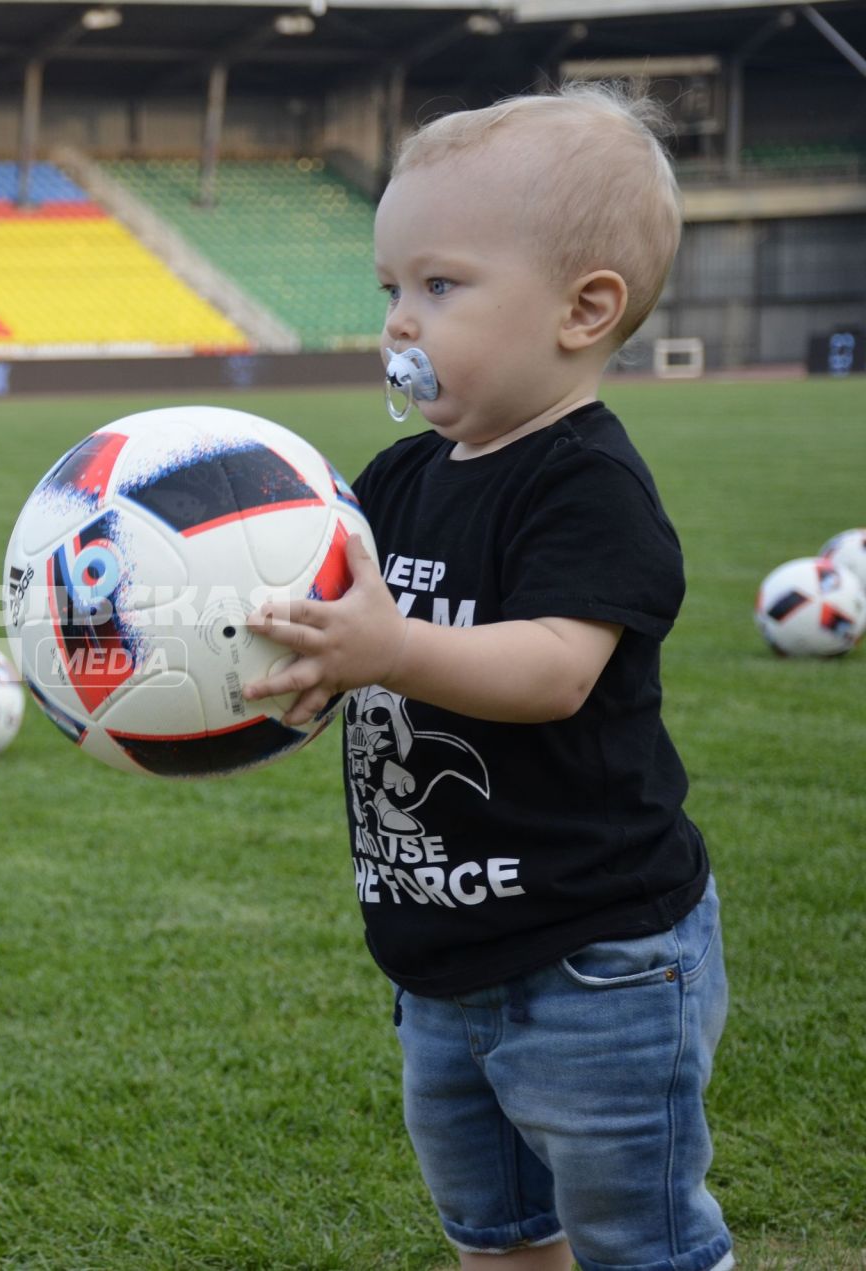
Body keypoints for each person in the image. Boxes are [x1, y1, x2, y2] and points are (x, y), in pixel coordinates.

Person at [244, 84, 732, 1271]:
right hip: (438, 959)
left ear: (585, 308)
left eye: (441, 287)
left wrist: (393, 650)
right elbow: (343, 630)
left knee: (641, 1239)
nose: (401, 324)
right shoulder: (399, 480)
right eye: (391, 291)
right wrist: (300, 668)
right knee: (498, 1232)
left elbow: (557, 668)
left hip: (598, 958)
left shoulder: (587, 487)